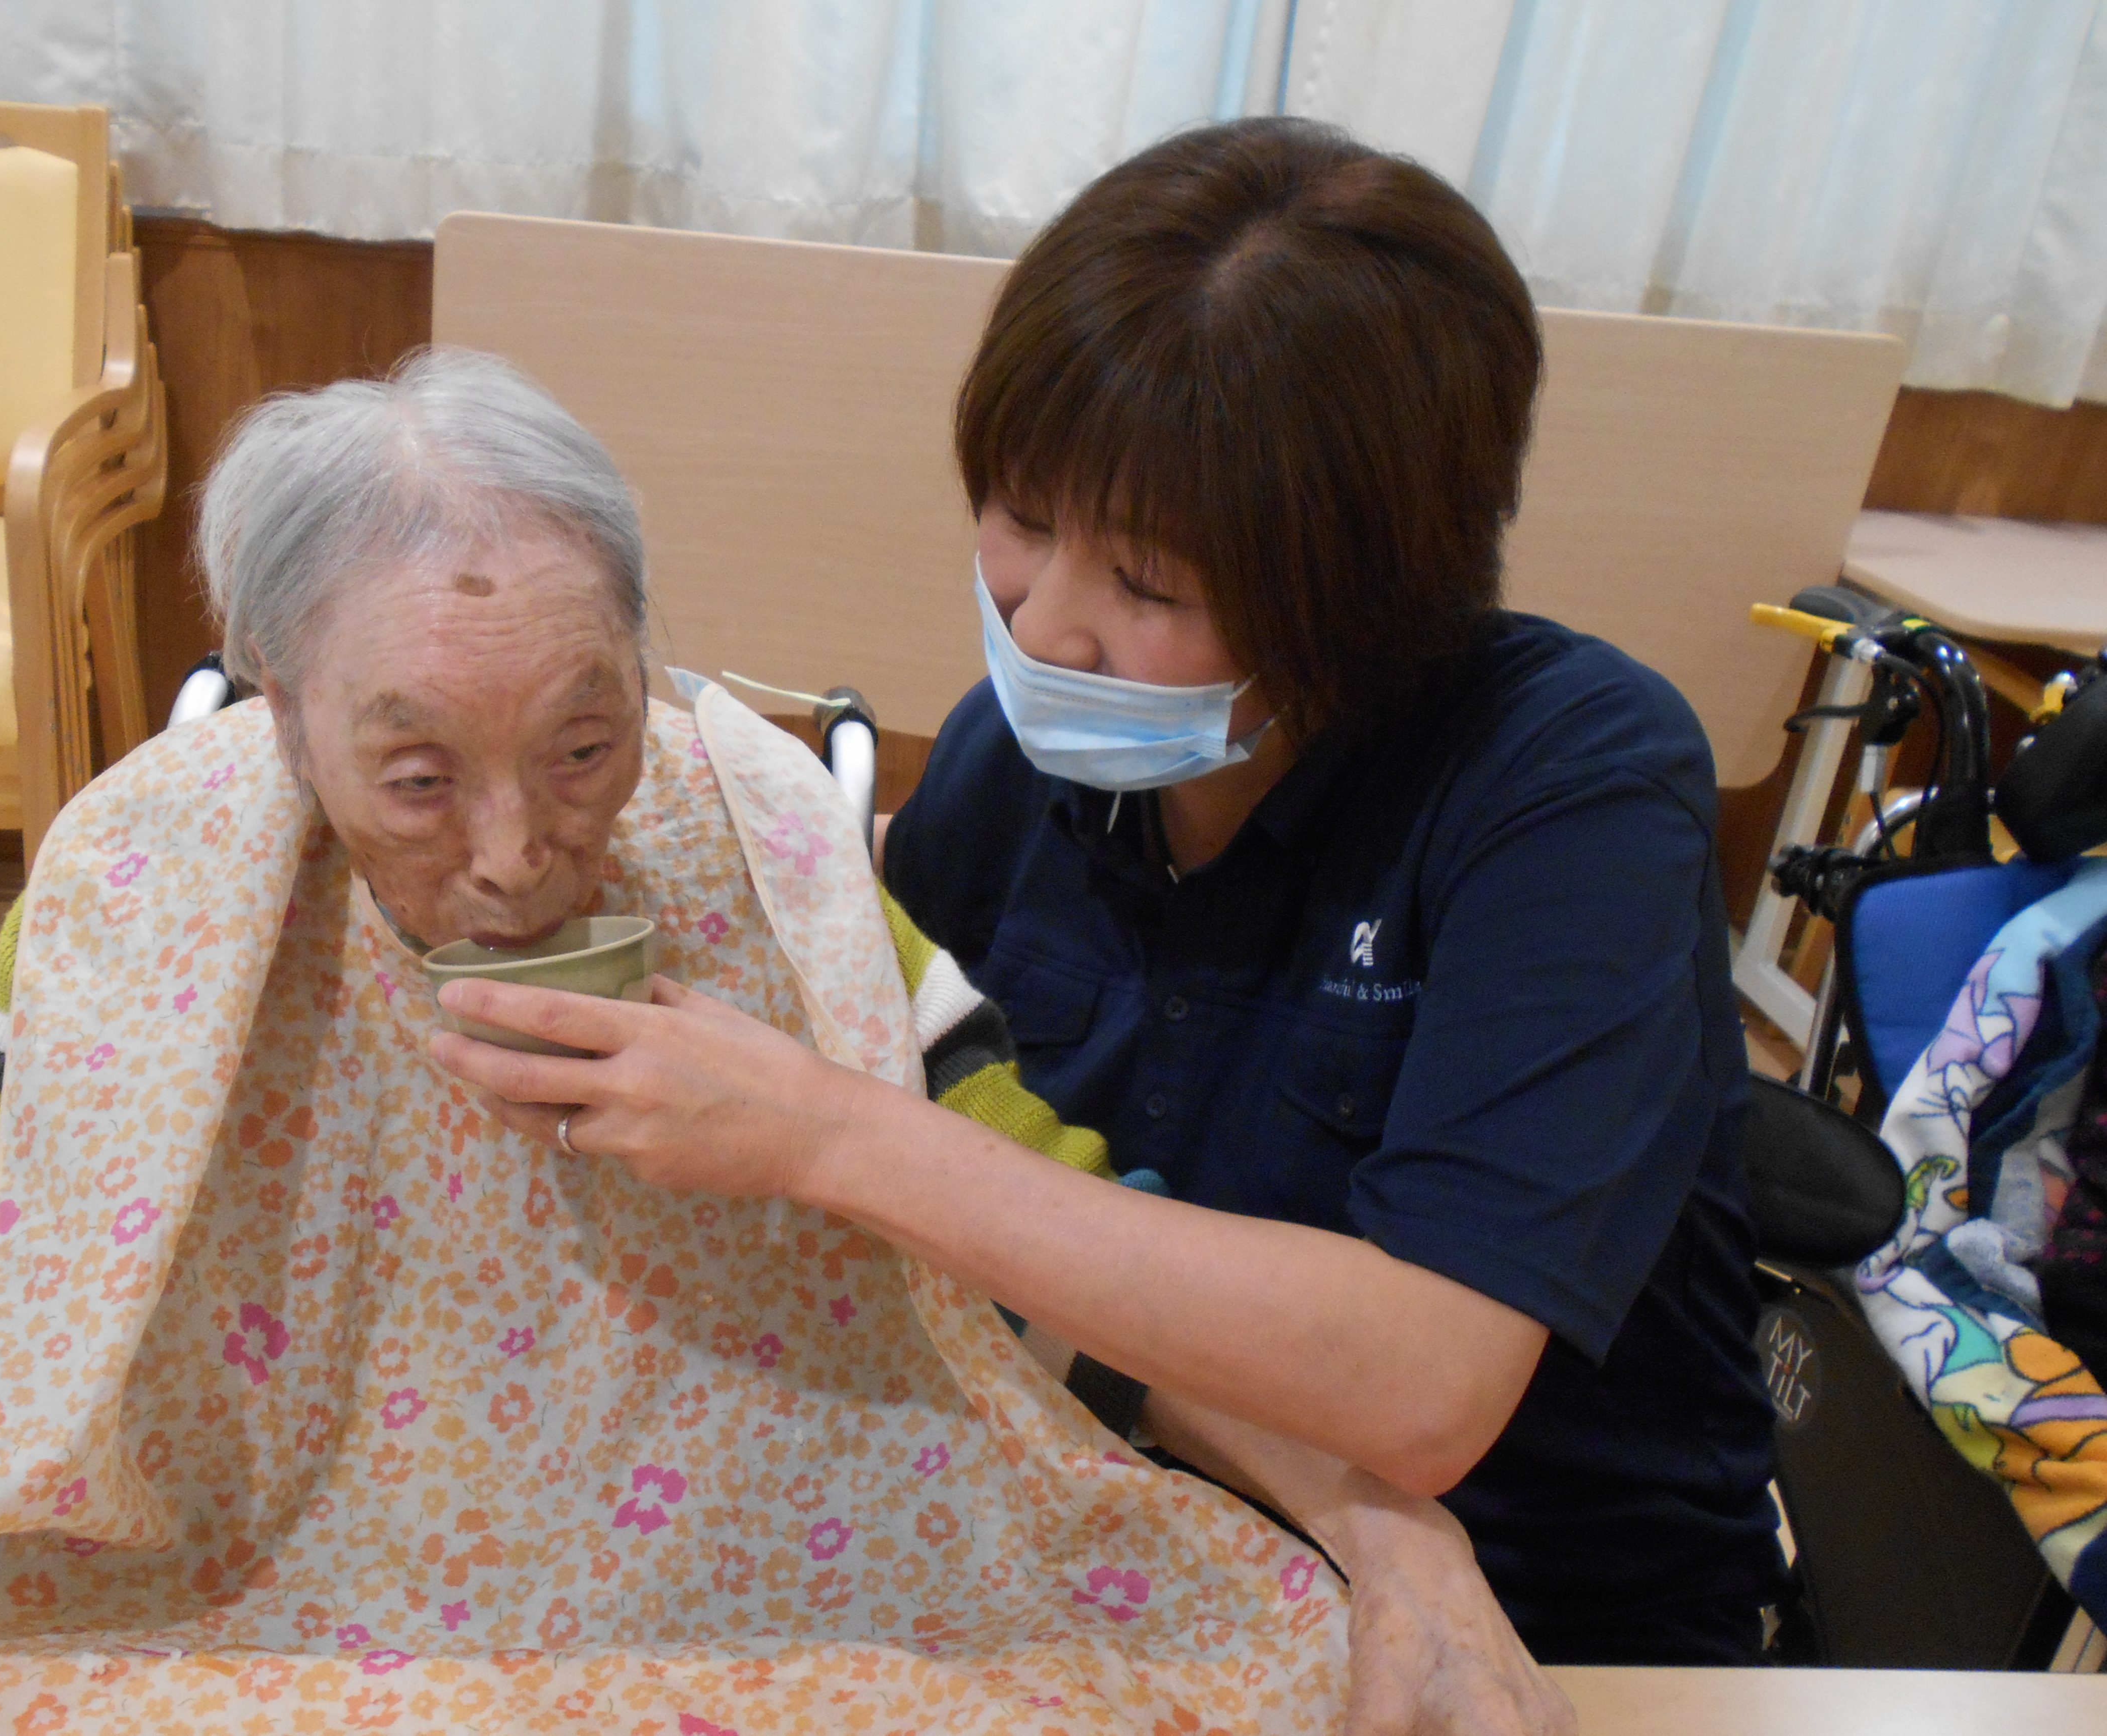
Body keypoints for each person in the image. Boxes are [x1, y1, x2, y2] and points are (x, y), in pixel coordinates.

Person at [0, 350, 1556, 1733]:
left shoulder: (774, 851)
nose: (511, 856)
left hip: (747, 1589)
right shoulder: (146, 877)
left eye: (586, 749)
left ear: (652, 664)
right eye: (411, 774)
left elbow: (1045, 1233)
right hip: (256, 1588)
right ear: (278, 708)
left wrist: (1384, 1529)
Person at [431, 118, 1787, 1668]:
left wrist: (826, 1128)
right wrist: (1348, 1512)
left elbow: (1422, 1383)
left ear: (1360, 594)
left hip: (1560, 1629)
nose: (1048, 627)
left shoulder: (1571, 786)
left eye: (1149, 584)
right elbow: (1022, 1264)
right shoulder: (1022, 765)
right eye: (1020, 512)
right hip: (1145, 1536)